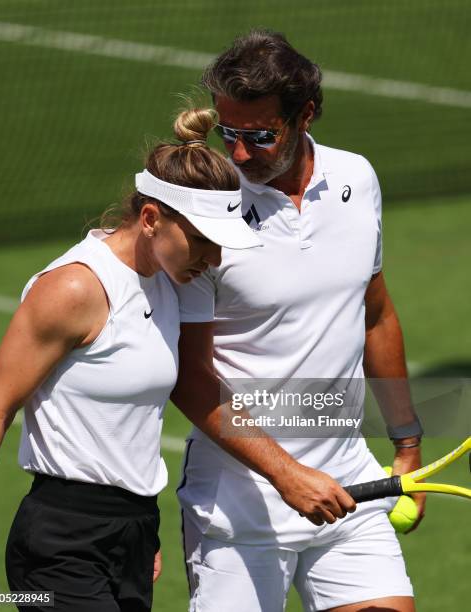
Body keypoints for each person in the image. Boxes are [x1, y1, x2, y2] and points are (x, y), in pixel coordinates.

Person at [171, 31, 425, 612]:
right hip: (237, 512)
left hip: (349, 497)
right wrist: (287, 476)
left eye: (259, 136)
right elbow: (190, 376)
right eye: (228, 133)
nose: (238, 153)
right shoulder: (208, 206)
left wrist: (406, 442)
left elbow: (376, 314)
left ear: (305, 114)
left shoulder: (357, 178)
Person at [0, 108, 261, 612]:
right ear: (151, 219)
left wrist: (139, 529)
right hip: (57, 544)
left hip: (132, 532)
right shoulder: (73, 288)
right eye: (202, 241)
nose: (213, 259)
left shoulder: (174, 286)